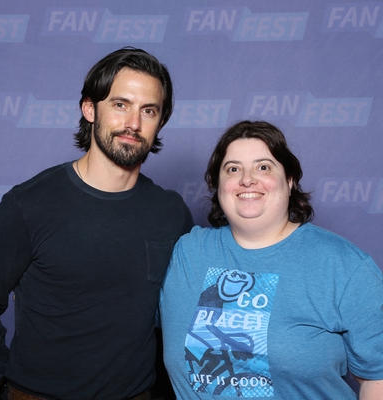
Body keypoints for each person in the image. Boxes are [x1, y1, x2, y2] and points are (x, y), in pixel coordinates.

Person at [0, 47, 193, 400]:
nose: (133, 123)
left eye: (149, 111)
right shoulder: (29, 204)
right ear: (90, 109)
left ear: (160, 122)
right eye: (120, 104)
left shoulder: (171, 213)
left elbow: (186, 314)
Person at [160, 120, 383, 399]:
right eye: (233, 169)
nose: (247, 179)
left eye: (263, 167)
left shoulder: (344, 265)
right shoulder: (188, 254)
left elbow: (378, 378)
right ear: (218, 185)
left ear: (290, 181)